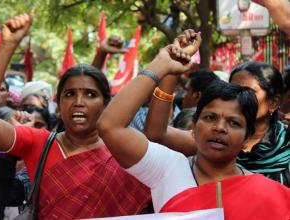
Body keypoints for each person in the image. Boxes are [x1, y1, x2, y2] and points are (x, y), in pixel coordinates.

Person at [0, 14, 150, 219]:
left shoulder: (124, 150)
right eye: (70, 94)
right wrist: (7, 45)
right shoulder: (39, 143)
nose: (79, 102)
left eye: (90, 95)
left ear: (106, 104)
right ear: (59, 103)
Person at [97, 33, 290, 219]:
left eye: (234, 123)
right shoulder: (168, 168)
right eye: (209, 118)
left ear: (247, 136)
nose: (219, 128)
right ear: (194, 127)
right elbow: (110, 126)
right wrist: (162, 65)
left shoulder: (270, 195)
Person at [229, 61, 290, 187]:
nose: (237, 99)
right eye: (233, 91)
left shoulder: (286, 144)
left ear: (273, 102)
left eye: (248, 92)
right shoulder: (217, 140)